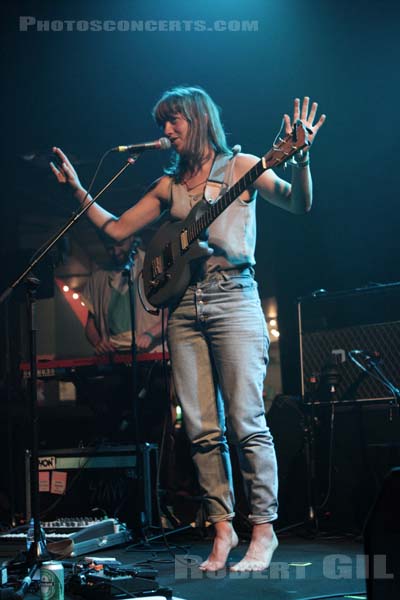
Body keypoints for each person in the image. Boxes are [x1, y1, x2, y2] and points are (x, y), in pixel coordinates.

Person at [51, 86, 326, 572]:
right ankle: (222, 530)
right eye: (162, 124)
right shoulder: (168, 186)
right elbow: (116, 229)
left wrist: (299, 161)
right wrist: (77, 187)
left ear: (197, 119)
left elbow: (299, 204)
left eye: (173, 121)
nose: (166, 131)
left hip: (233, 298)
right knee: (200, 428)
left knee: (246, 421)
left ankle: (262, 531)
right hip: (181, 309)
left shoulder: (242, 166)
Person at [82, 233, 164, 355]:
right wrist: (98, 342)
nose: (115, 252)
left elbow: (172, 316)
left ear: (131, 237)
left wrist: (150, 334)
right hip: (113, 357)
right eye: (110, 248)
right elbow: (90, 324)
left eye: (120, 245)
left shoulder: (155, 266)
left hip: (151, 354)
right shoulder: (97, 278)